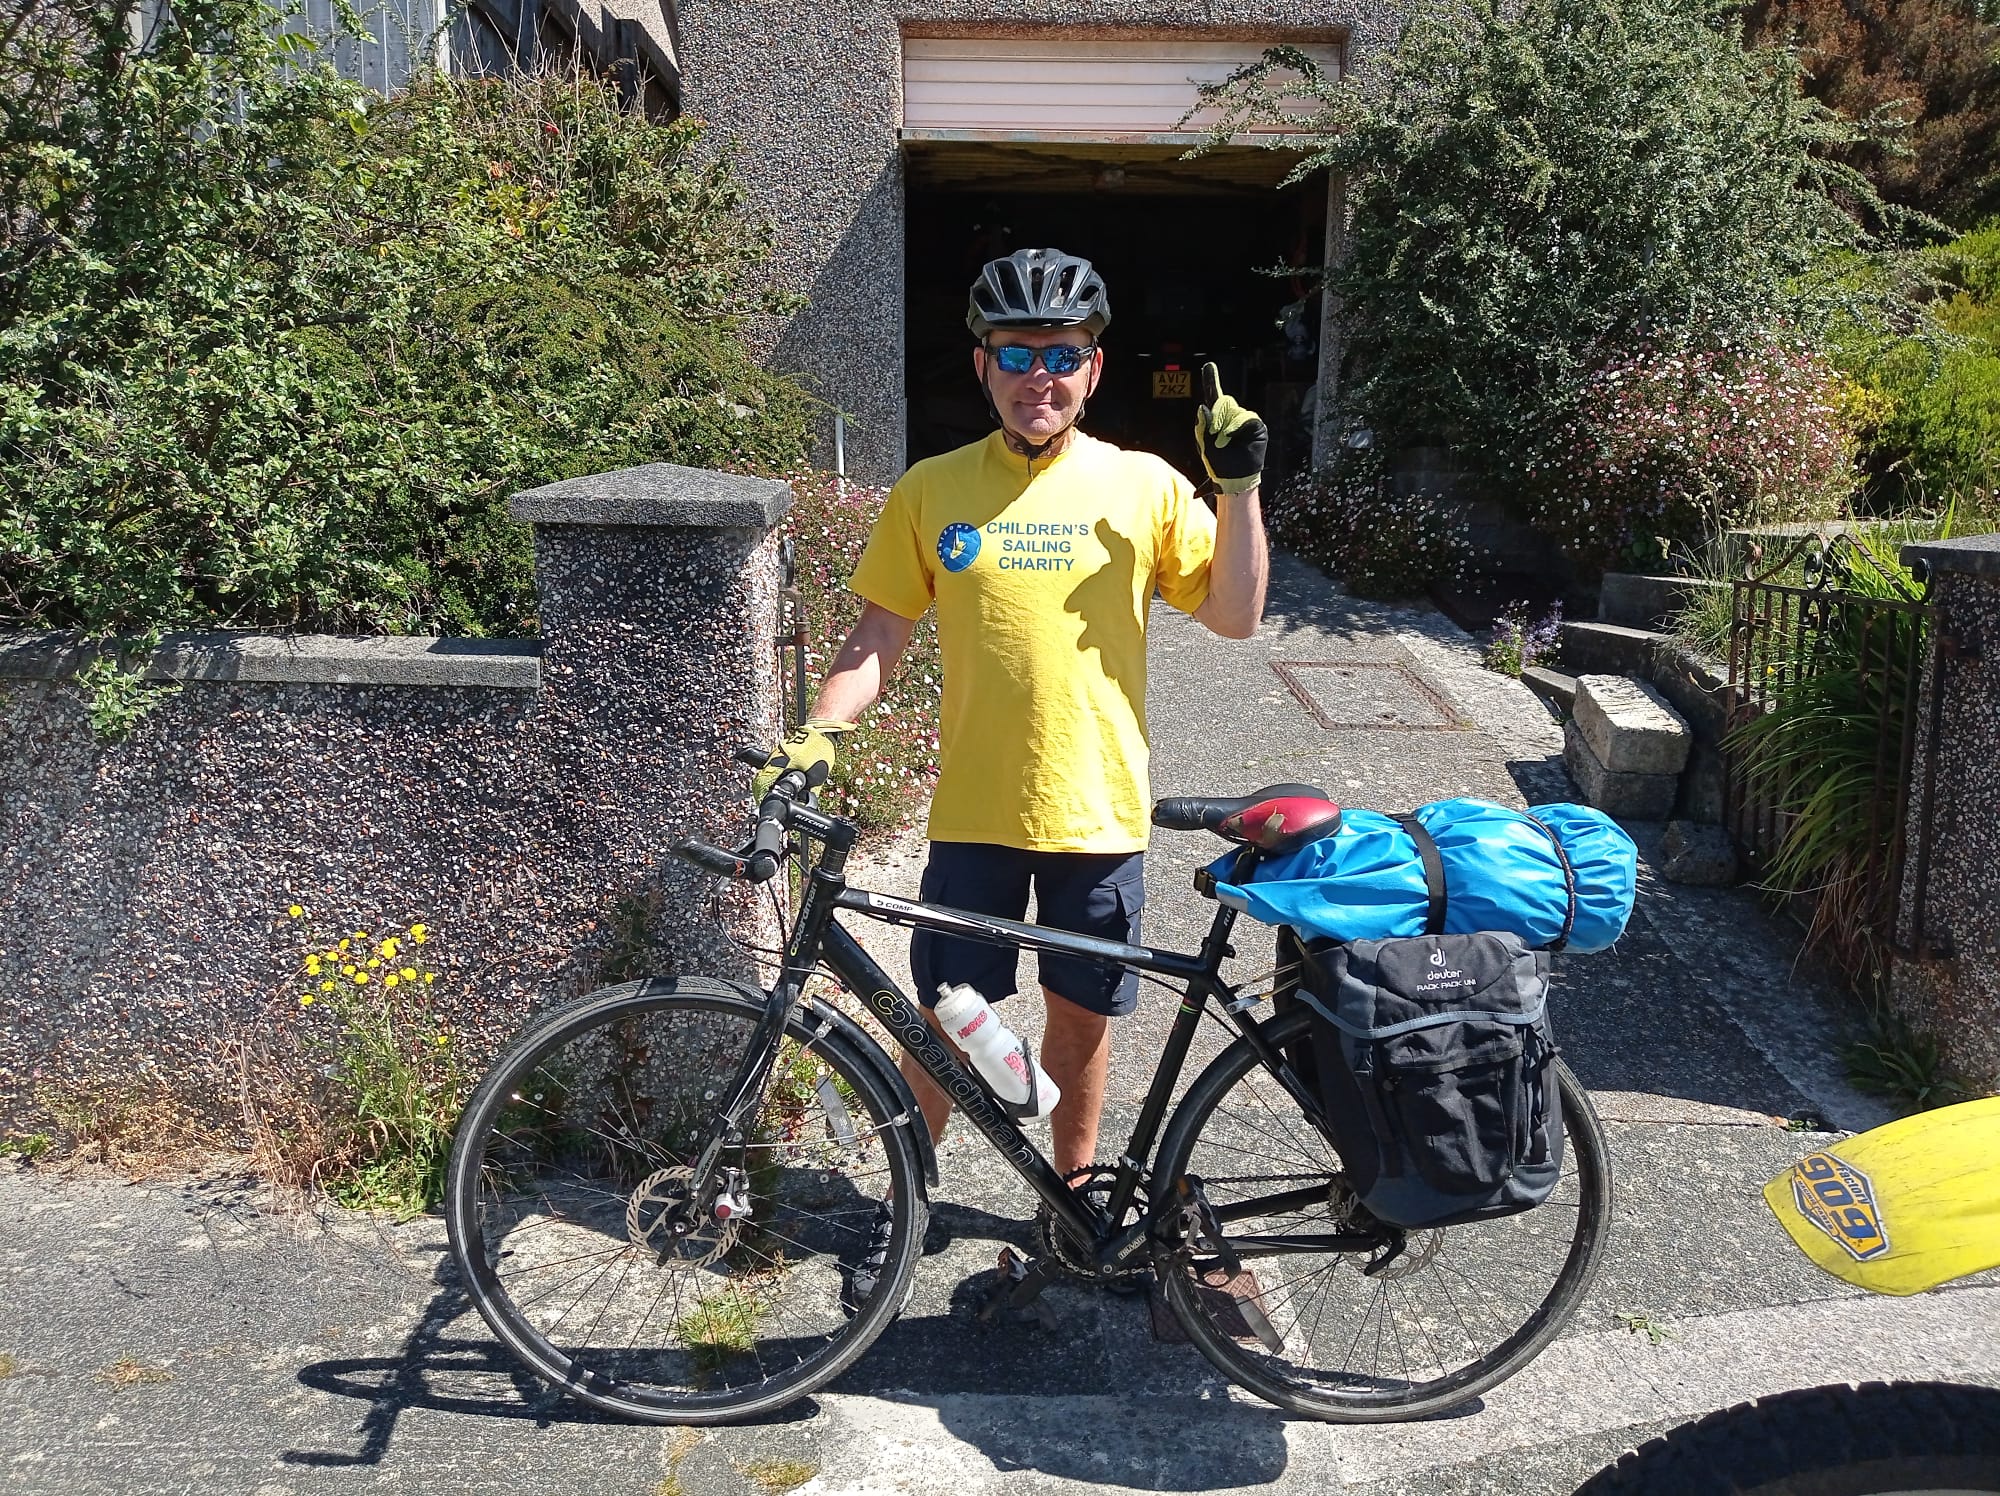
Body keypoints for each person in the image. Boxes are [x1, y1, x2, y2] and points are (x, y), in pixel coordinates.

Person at [764, 247, 1270, 1302]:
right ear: (983, 363)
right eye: (1016, 353)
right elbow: (874, 639)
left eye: (1060, 353)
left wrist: (1241, 490)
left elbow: (1234, 615)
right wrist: (818, 732)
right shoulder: (932, 488)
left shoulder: (1139, 483)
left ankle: (1071, 1206)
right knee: (951, 1019)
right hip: (975, 815)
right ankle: (909, 1200)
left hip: (1095, 814)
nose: (1038, 375)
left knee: (1077, 1027)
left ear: (1092, 367)